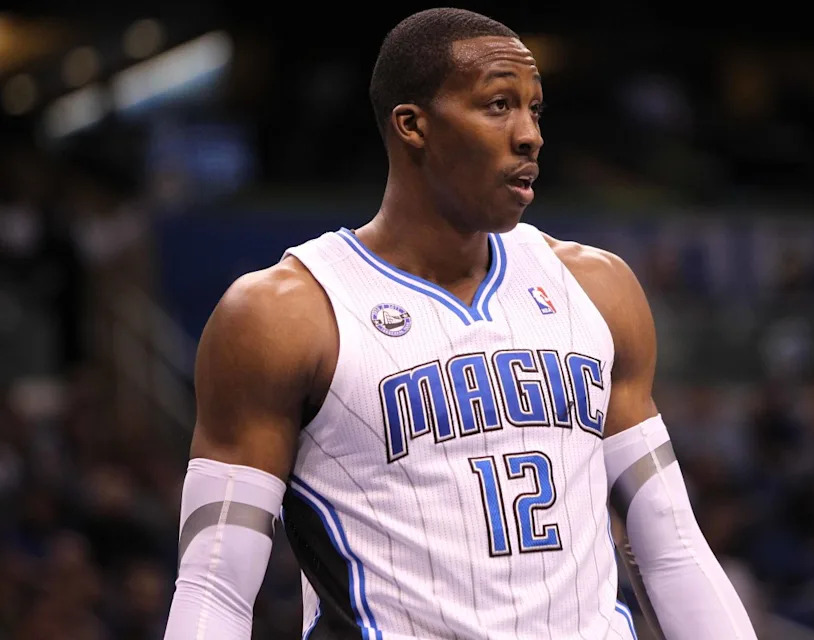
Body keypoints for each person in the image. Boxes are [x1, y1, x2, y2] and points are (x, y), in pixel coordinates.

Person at [162, 8, 757, 639]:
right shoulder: (284, 314)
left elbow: (670, 548)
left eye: (535, 109)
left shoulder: (597, 287)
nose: (530, 135)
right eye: (499, 105)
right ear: (413, 125)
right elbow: (216, 585)